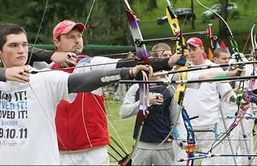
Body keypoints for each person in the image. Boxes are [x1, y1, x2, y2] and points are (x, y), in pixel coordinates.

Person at [0, 23, 156, 165]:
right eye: (13, 45)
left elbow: (84, 80)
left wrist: (127, 72)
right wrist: (3, 74)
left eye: (24, 45)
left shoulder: (45, 78)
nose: (21, 50)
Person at [49, 20, 182, 165]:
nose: (77, 41)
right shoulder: (45, 69)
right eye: (70, 37)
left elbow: (125, 64)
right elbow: (28, 53)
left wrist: (167, 62)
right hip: (58, 152)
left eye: (79, 36)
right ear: (56, 41)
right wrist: (50, 56)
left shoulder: (92, 63)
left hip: (93, 151)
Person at [173, 37, 240, 165]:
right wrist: (231, 74)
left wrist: (237, 100)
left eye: (194, 49)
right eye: (189, 50)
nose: (191, 52)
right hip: (187, 127)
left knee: (211, 162)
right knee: (184, 162)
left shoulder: (214, 68)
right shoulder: (183, 70)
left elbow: (227, 94)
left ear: (202, 49)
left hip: (210, 124)